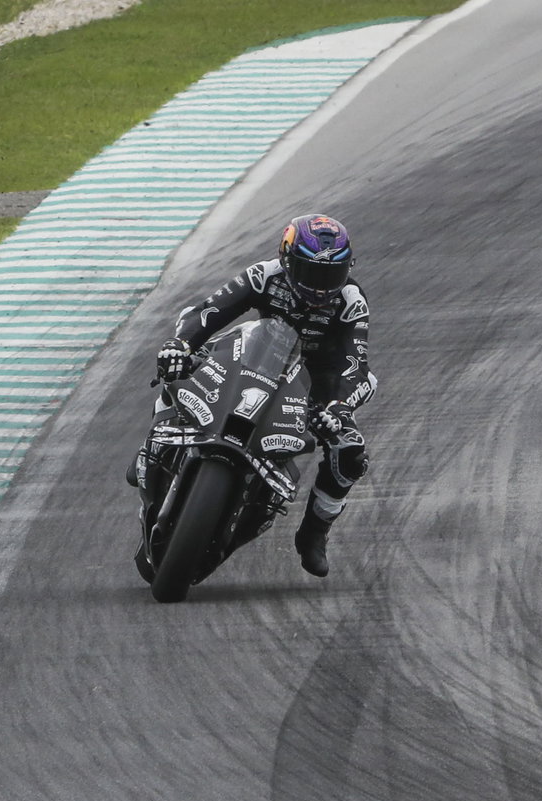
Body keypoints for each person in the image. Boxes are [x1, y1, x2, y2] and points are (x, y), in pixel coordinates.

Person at [129, 214, 374, 577]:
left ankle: (314, 533)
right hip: (258, 352)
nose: (321, 289)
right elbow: (208, 311)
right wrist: (179, 345)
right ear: (288, 260)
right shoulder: (264, 275)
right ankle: (154, 442)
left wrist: (337, 407)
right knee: (182, 362)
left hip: (317, 379)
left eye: (331, 276)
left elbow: (355, 364)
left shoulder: (352, 301)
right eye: (311, 274)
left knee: (350, 451)